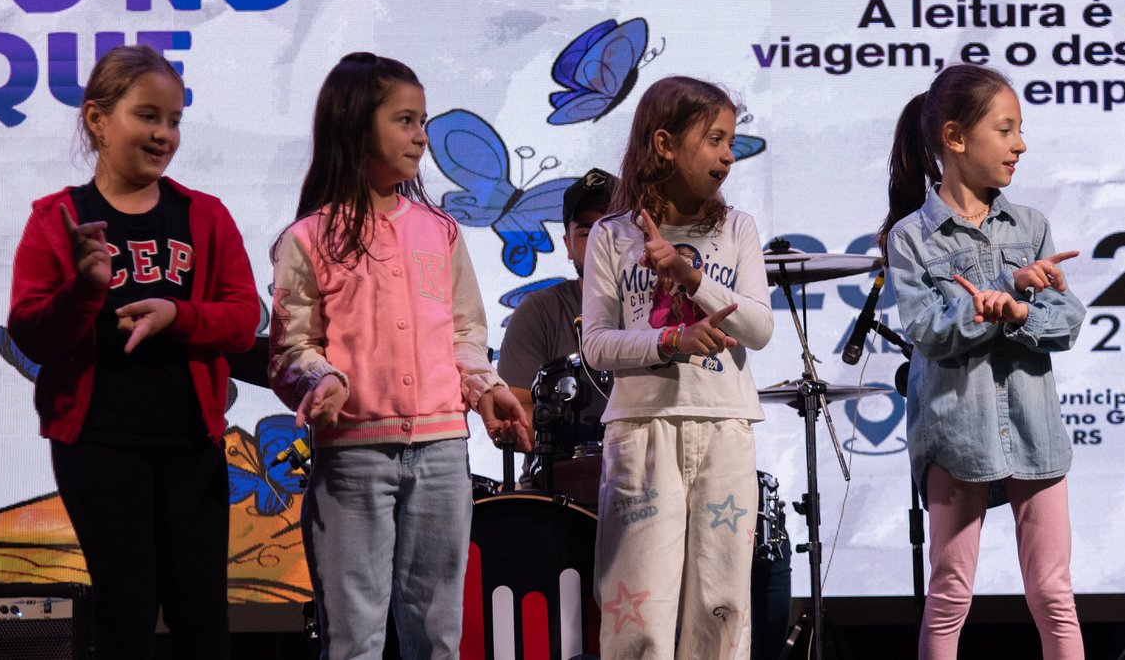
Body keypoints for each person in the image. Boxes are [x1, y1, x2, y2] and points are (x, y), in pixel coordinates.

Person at [268, 52, 532, 660]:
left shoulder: (439, 230)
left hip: (441, 453)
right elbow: (290, 349)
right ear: (357, 125)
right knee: (354, 638)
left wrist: (485, 389)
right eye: (405, 120)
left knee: (437, 636)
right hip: (354, 456)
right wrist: (320, 380)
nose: (421, 137)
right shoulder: (308, 239)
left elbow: (464, 333)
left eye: (423, 122)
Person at [7, 44, 261, 660]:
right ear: (98, 119)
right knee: (126, 612)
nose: (163, 134)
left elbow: (242, 320)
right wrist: (84, 290)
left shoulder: (204, 216)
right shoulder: (57, 219)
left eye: (174, 120)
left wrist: (179, 315)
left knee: (202, 615)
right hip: (99, 443)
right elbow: (30, 333)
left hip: (191, 441)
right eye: (147, 116)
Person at [878, 63, 1086, 660]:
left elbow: (1067, 320)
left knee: (1054, 593)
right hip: (955, 435)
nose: (1020, 144)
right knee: (949, 594)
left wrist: (1018, 313)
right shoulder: (911, 237)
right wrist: (1001, 289)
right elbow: (926, 330)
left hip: (1034, 431)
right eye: (1005, 129)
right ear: (955, 137)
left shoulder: (1031, 226)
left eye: (1020, 129)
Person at [580, 75, 774, 660]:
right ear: (664, 144)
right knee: (639, 609)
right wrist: (670, 340)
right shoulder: (612, 235)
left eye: (731, 141)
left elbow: (759, 328)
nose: (728, 155)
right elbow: (596, 345)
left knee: (722, 605)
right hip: (643, 431)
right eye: (714, 139)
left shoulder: (736, 228)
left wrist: (692, 278)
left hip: (724, 425)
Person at [497, 167, 617, 441]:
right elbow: (515, 410)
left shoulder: (658, 310)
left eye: (611, 229)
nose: (600, 243)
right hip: (562, 467)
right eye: (586, 233)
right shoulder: (538, 312)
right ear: (568, 245)